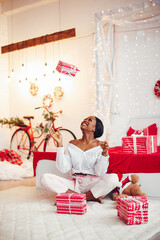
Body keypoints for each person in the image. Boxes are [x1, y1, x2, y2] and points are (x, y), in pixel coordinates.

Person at [40, 116, 120, 204]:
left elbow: (100, 173)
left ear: (95, 128)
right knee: (45, 178)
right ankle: (86, 197)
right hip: (75, 185)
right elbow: (63, 168)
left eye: (90, 120)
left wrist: (104, 154)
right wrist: (59, 145)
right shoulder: (72, 144)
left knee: (114, 178)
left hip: (93, 186)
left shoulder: (101, 145)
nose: (85, 120)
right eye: (84, 119)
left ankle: (74, 196)